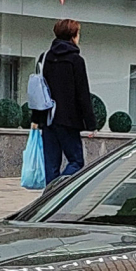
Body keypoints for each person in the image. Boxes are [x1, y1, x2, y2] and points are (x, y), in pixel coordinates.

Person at [37, 18, 91, 180]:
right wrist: (91, 124)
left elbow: (38, 89)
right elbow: (83, 93)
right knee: (76, 161)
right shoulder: (76, 60)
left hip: (48, 118)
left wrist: (36, 118)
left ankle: (49, 198)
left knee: (51, 166)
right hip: (69, 120)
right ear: (73, 36)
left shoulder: (45, 57)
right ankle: (57, 191)